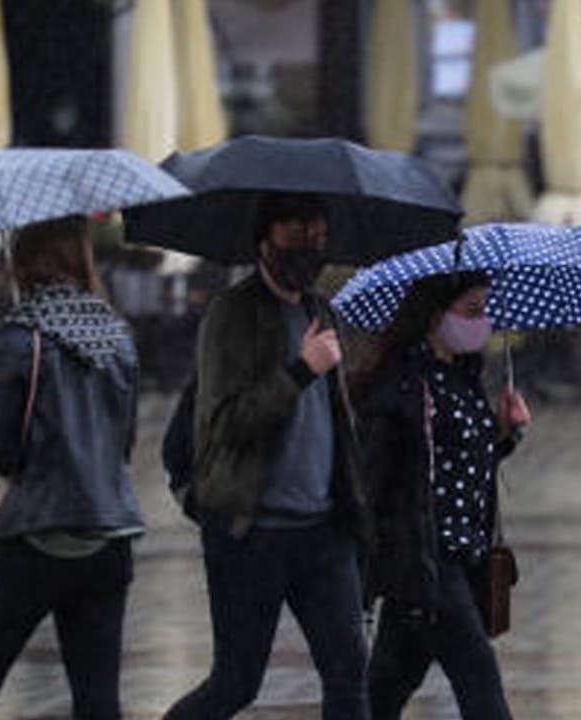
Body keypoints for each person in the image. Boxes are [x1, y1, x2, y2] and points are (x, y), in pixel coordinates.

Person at [163, 192, 371, 719]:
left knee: (350, 675)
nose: (310, 250)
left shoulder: (320, 309)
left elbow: (335, 416)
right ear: (264, 241)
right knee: (236, 683)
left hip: (323, 530)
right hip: (250, 529)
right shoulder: (230, 316)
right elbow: (225, 425)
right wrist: (300, 370)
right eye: (297, 236)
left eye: (319, 239)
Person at [0, 216, 143, 720]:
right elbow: (125, 438)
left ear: (24, 259)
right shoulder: (118, 335)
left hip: (39, 535)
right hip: (110, 533)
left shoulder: (17, 338)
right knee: (98, 700)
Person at [353, 271, 530, 720]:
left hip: (464, 556)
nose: (482, 322)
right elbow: (375, 478)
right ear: (434, 315)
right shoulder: (405, 384)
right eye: (471, 311)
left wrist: (506, 434)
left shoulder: (463, 376)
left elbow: (465, 466)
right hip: (426, 560)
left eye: (485, 311)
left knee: (384, 691)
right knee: (480, 684)